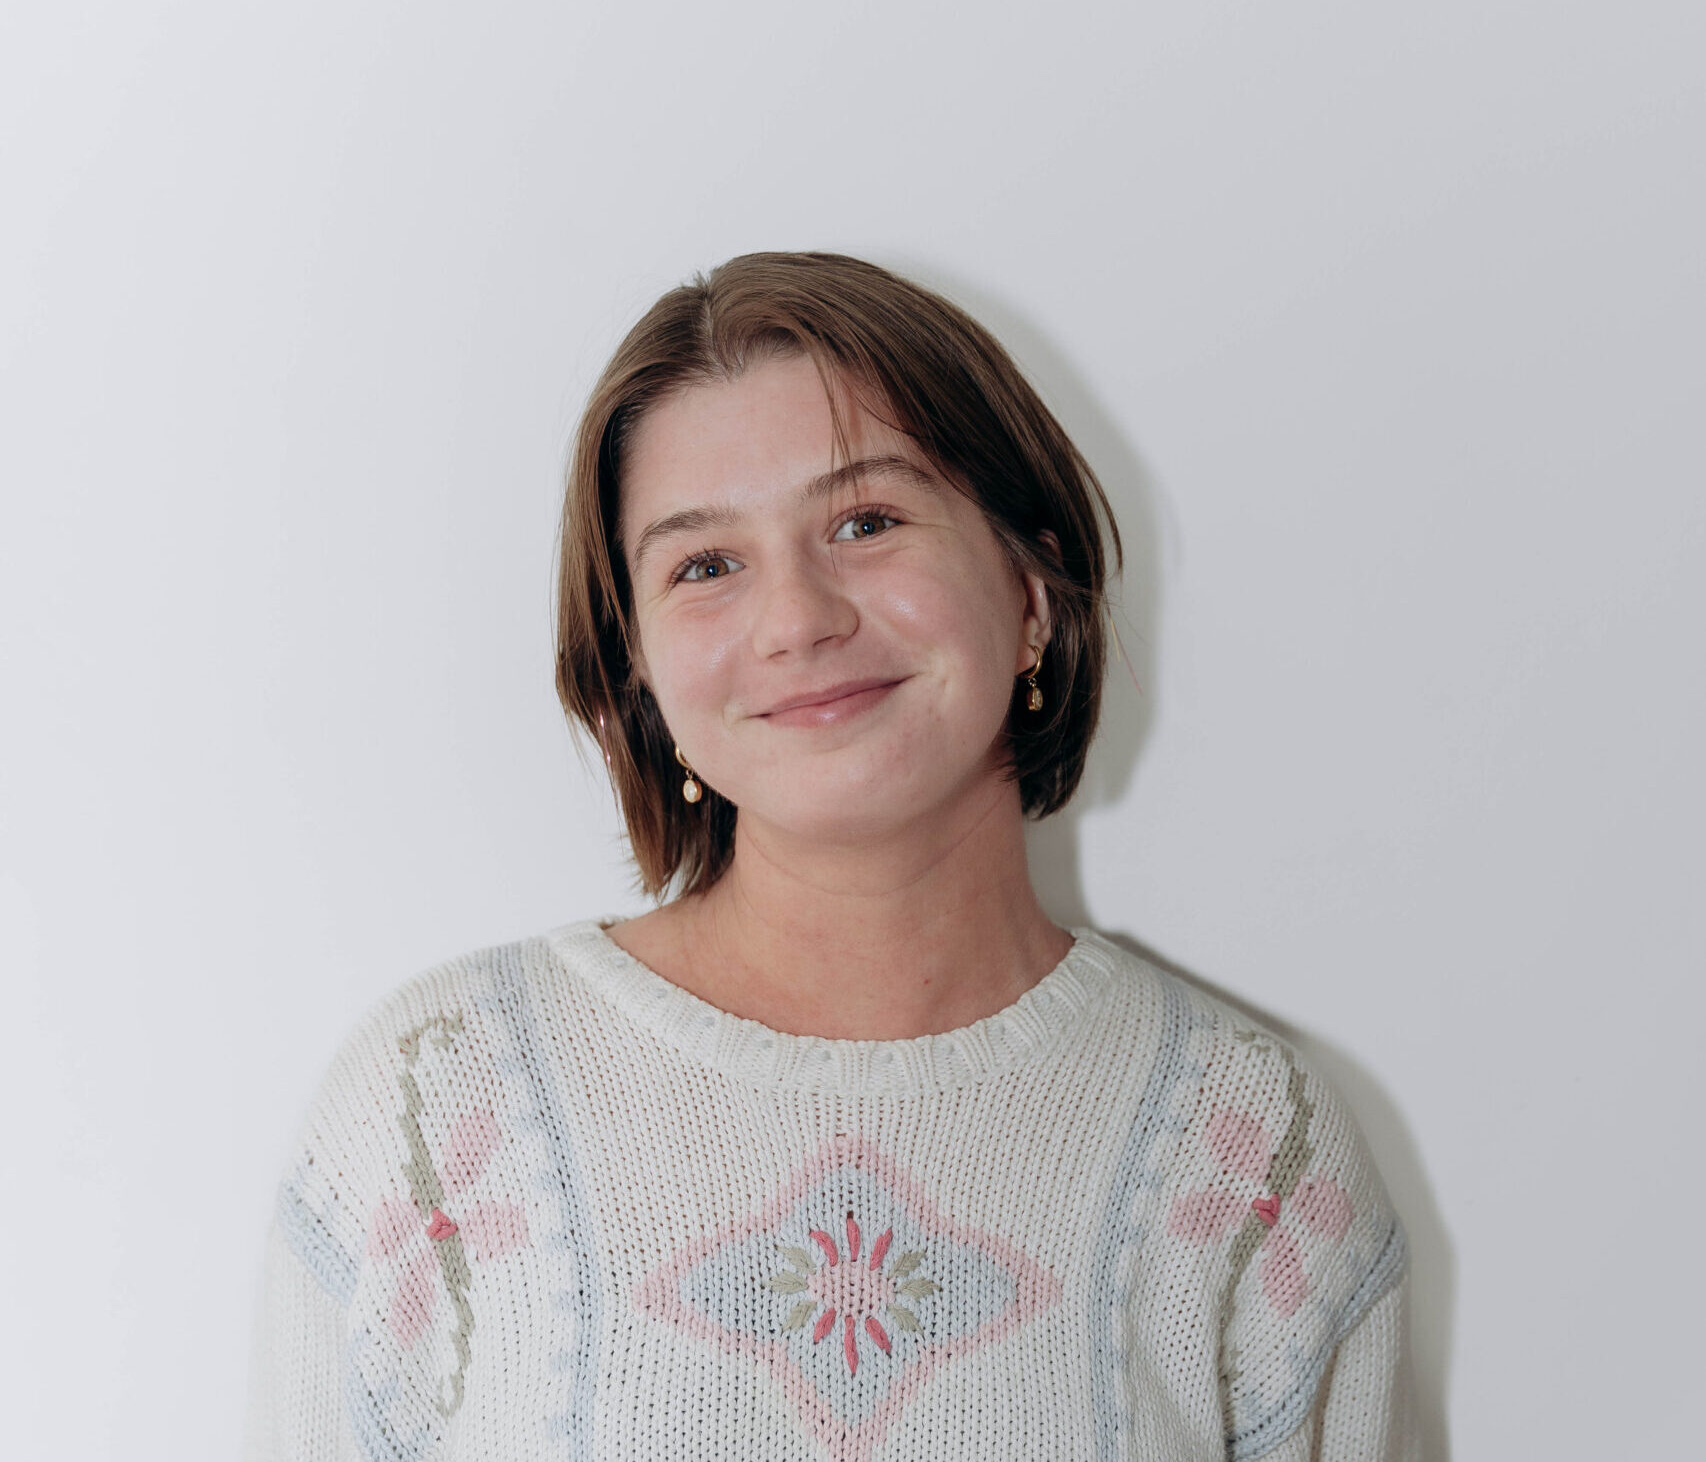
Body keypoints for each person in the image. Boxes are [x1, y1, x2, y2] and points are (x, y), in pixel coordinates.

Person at [245, 252, 1418, 1461]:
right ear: (637, 670)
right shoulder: (435, 1111)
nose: (797, 619)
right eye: (704, 565)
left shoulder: (1256, 1152)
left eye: (866, 522)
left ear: (1030, 589)